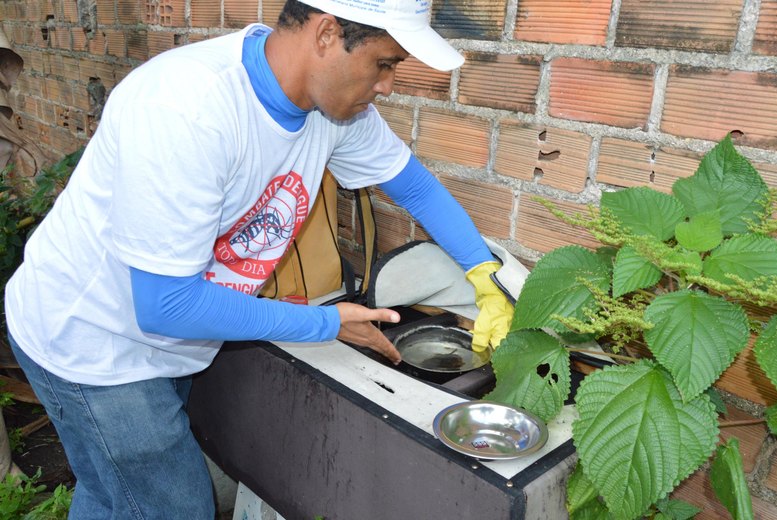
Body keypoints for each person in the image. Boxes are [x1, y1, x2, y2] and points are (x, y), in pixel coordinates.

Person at [3, 0, 514, 517]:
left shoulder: (334, 109)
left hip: (169, 336)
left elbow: (416, 188)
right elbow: (165, 304)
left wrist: (484, 273)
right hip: (94, 340)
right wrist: (323, 323)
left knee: (114, 492)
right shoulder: (186, 108)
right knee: (171, 507)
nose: (387, 87)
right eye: (384, 64)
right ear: (326, 33)